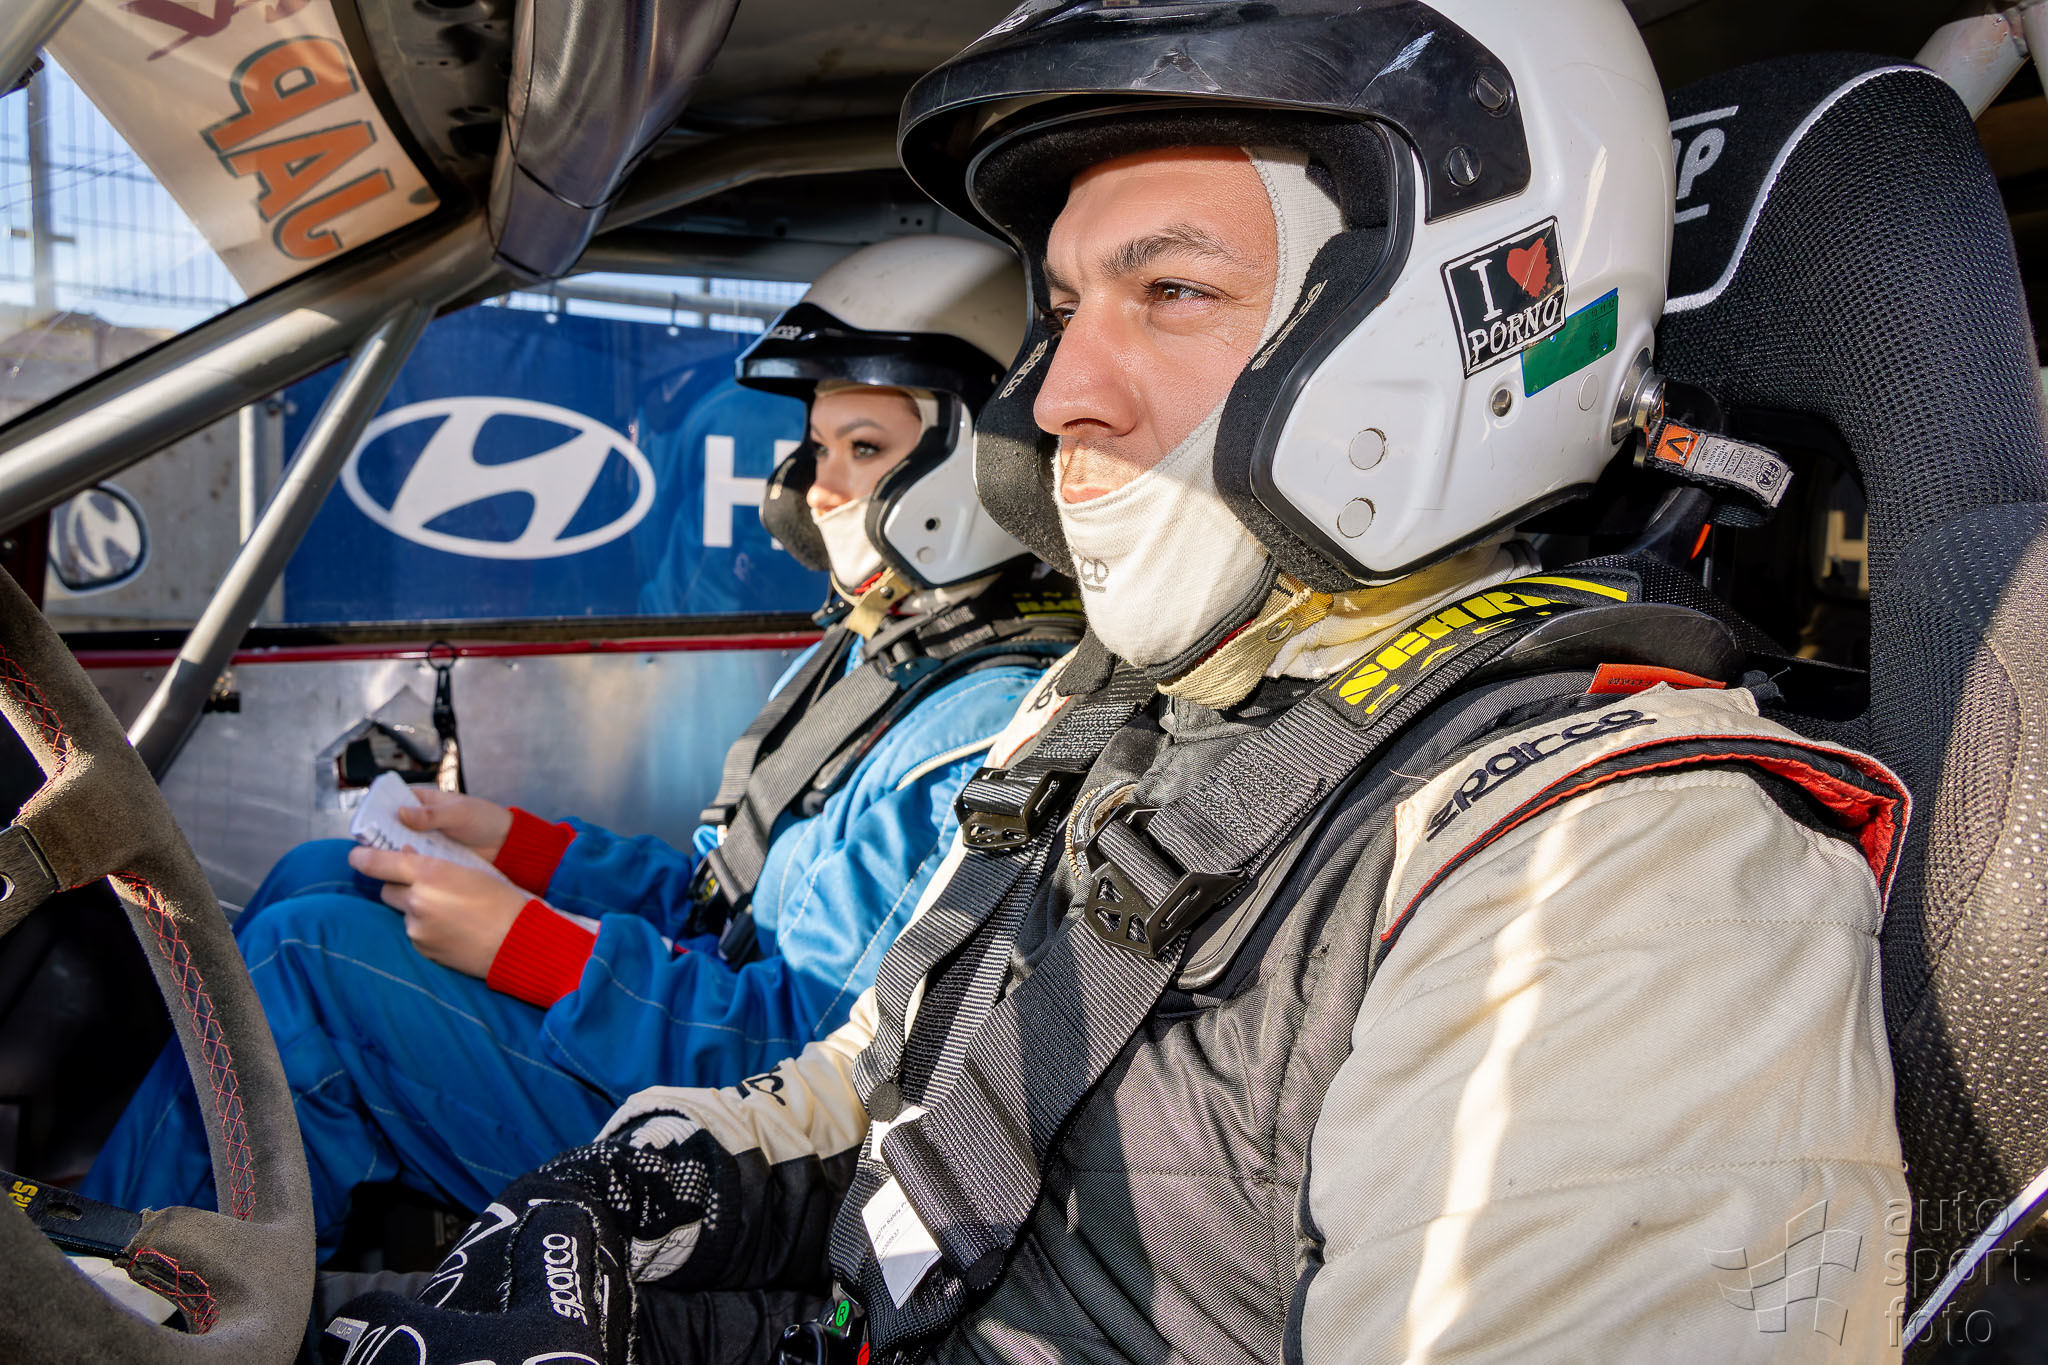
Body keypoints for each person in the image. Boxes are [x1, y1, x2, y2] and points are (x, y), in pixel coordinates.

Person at [323, 3, 1915, 1360]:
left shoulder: (1619, 878)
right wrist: (657, 1192)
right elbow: (893, 1084)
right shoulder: (1116, 708)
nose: (1058, 395)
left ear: (1467, 322)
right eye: (1069, 308)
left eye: (1174, 293)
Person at [83, 236, 1082, 1261]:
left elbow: (804, 1051)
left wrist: (537, 946)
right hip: (687, 1042)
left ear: (980, 463)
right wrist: (519, 848)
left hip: (744, 1151)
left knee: (306, 967)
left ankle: (144, 1301)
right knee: (320, 875)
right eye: (815, 451)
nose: (817, 491)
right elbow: (722, 902)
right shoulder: (879, 653)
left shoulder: (975, 731)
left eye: (862, 449)